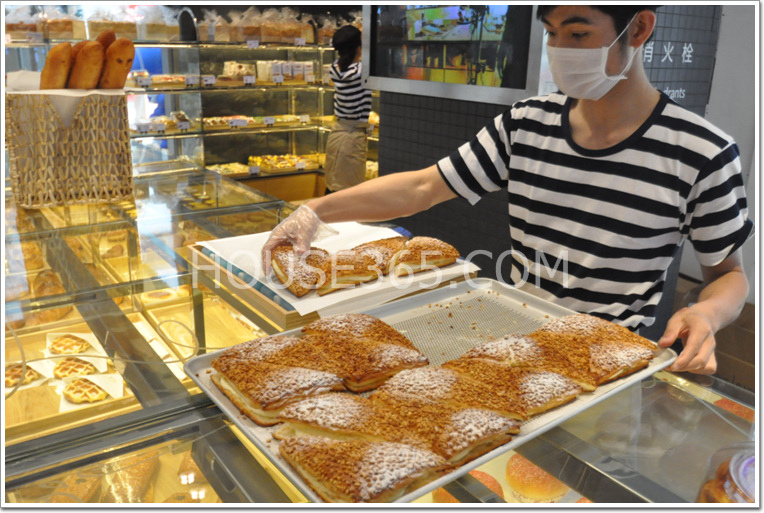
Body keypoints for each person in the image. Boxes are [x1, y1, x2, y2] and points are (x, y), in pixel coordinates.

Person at [262, 5, 753, 376]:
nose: (562, 51)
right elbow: (422, 186)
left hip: (609, 358)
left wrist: (705, 312)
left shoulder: (702, 151)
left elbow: (729, 275)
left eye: (579, 33)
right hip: (509, 337)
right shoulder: (527, 123)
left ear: (639, 30)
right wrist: (315, 211)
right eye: (552, 34)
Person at [322, 25, 372, 196]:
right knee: (347, 192)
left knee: (335, 184)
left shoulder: (336, 68)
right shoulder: (362, 71)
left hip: (339, 132)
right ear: (359, 47)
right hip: (351, 137)